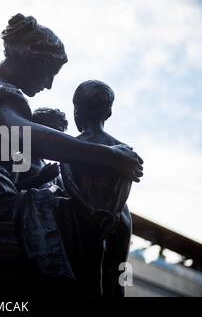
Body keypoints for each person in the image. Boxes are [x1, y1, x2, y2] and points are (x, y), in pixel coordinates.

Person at [0, 14, 143, 296]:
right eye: (49, 73)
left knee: (83, 214)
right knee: (81, 217)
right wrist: (107, 155)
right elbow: (24, 135)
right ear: (30, 59)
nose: (49, 85)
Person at [59, 80, 134, 296]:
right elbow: (125, 183)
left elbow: (70, 183)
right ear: (108, 112)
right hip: (119, 217)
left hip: (83, 218)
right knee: (116, 276)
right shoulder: (122, 148)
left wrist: (91, 211)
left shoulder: (71, 146)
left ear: (77, 110)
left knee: (86, 274)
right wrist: (113, 212)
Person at [15, 107, 68, 191]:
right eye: (52, 132)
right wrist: (40, 178)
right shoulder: (17, 158)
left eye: (59, 135)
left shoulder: (48, 167)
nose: (57, 140)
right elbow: (6, 193)